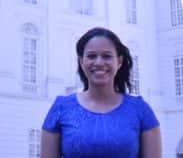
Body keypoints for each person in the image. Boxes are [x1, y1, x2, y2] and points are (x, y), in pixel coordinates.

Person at [41, 27, 162, 158]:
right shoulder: (61, 109)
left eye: (107, 56)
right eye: (91, 56)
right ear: (81, 62)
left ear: (119, 61)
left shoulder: (140, 110)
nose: (99, 62)